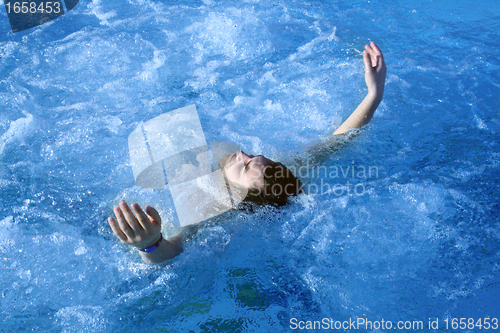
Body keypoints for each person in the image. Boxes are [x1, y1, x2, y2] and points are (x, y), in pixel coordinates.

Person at [108, 42, 387, 264]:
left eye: (244, 167)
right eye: (253, 155)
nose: (242, 154)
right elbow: (338, 141)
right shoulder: (282, 174)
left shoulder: (215, 212)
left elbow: (175, 251)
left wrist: (149, 244)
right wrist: (373, 95)